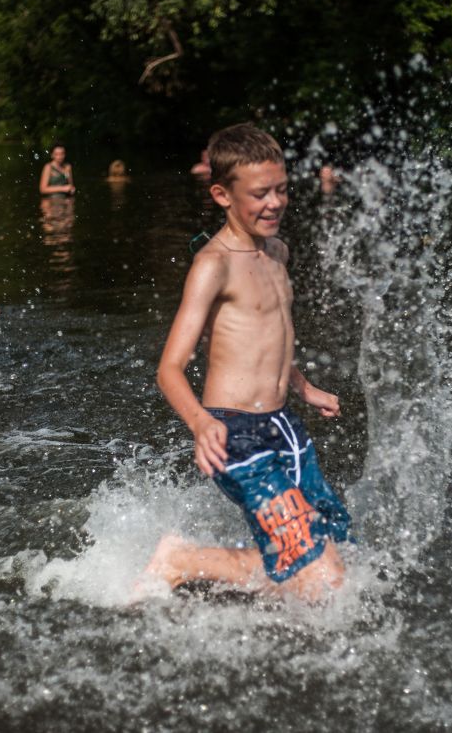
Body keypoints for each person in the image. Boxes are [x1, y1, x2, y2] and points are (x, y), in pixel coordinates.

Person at [139, 123, 352, 604]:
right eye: (259, 194)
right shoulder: (213, 265)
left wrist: (303, 386)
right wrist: (200, 423)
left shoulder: (277, 251)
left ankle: (258, 579)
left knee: (337, 548)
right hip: (235, 433)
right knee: (324, 577)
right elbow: (169, 368)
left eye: (281, 190)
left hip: (284, 426)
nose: (274, 203)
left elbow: (268, 340)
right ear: (222, 195)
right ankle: (181, 559)